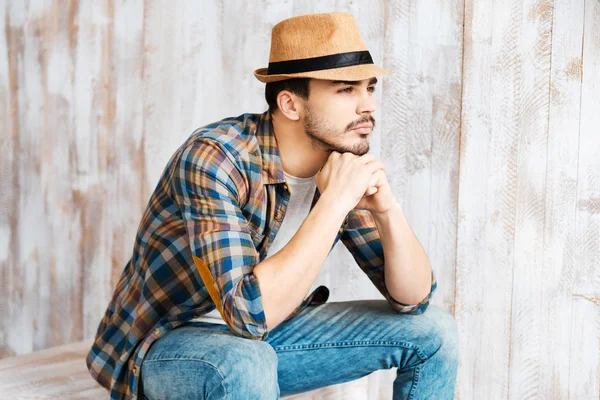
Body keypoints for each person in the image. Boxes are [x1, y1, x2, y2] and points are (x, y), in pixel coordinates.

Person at [86, 11, 459, 400]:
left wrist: (386, 210)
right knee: (246, 360)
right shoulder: (215, 158)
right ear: (291, 104)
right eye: (346, 90)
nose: (367, 106)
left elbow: (413, 299)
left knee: (435, 332)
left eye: (369, 88)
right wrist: (334, 203)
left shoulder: (338, 164)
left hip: (271, 334)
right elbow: (248, 316)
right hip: (168, 343)